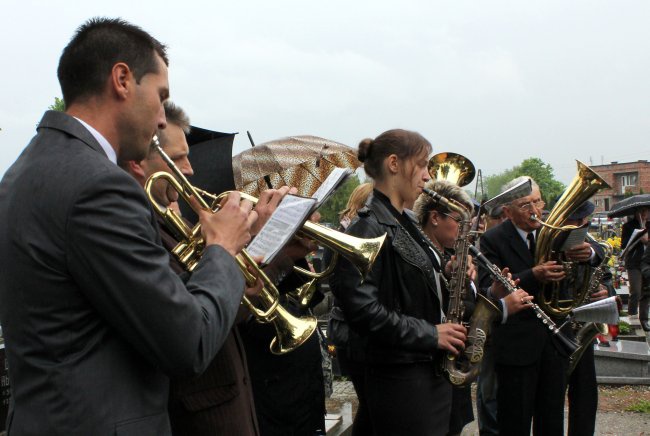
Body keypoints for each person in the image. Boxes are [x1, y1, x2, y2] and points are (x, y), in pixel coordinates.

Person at [0, 18, 257, 435]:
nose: (161, 119)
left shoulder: (22, 171)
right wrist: (222, 249)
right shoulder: (99, 185)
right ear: (121, 79)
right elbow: (188, 344)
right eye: (160, 96)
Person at [122, 101, 283, 435]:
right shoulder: (138, 224)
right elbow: (191, 318)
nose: (190, 169)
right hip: (197, 412)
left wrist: (257, 250)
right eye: (180, 158)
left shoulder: (169, 219)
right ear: (141, 160)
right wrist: (227, 248)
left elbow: (225, 304)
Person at [329, 129, 468, 436]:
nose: (428, 176)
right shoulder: (366, 227)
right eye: (422, 165)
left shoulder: (402, 221)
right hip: (400, 381)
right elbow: (364, 312)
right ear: (394, 164)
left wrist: (450, 273)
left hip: (418, 375)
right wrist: (430, 333)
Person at [412, 179, 532, 436]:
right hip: (434, 374)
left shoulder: (449, 254)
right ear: (435, 218)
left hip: (449, 373)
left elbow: (463, 304)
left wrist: (491, 293)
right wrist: (502, 306)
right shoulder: (424, 255)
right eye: (458, 220)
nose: (464, 229)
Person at [477, 176, 576, 436]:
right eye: (525, 205)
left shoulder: (554, 232)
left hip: (555, 343)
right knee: (514, 420)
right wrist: (534, 274)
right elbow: (491, 285)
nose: (534, 210)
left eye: (537, 201)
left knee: (552, 418)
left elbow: (589, 255)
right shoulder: (492, 239)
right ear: (507, 211)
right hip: (517, 345)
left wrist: (589, 255)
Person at [327, 181, 374, 435]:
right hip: (350, 331)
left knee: (370, 404)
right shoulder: (346, 234)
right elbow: (339, 284)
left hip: (353, 328)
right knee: (369, 403)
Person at [560, 200, 610, 436]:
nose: (581, 226)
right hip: (555, 327)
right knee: (551, 397)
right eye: (575, 222)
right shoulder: (550, 242)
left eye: (583, 222)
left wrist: (606, 290)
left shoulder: (591, 245)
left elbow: (605, 275)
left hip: (583, 329)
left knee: (585, 394)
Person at [621, 208, 650, 330]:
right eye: (641, 211)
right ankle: (632, 317)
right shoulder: (629, 226)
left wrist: (647, 241)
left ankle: (644, 320)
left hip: (647, 263)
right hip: (634, 262)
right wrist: (639, 239)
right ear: (636, 212)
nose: (644, 214)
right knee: (636, 291)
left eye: (646, 211)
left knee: (647, 292)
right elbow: (624, 245)